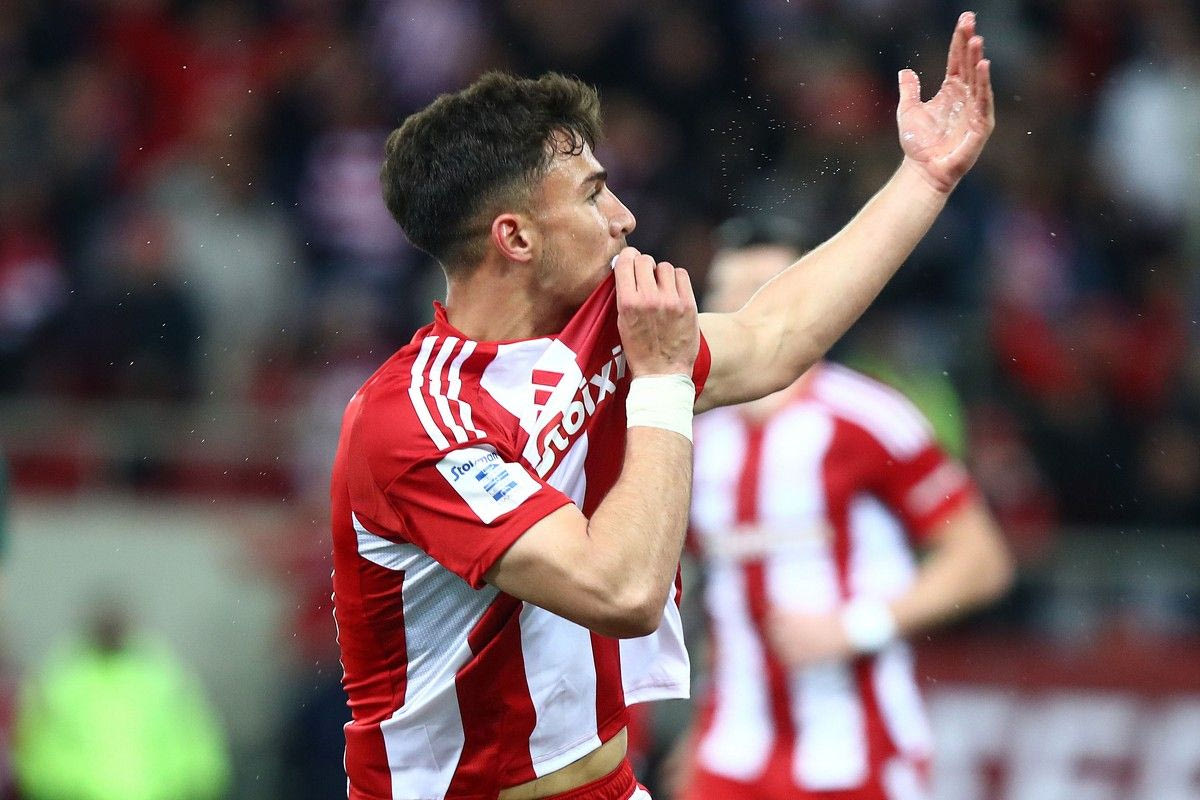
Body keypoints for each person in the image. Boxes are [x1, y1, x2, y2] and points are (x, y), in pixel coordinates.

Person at [330, 12, 994, 800]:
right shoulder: (415, 420)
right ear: (516, 238)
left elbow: (775, 337)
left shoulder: (610, 338)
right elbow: (620, 592)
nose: (624, 217)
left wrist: (925, 178)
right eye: (593, 194)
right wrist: (662, 384)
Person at [666, 219, 1014, 800]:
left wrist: (854, 626)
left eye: (765, 288)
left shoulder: (869, 416)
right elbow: (721, 596)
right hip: (731, 753)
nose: (748, 308)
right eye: (730, 291)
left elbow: (982, 562)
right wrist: (701, 727)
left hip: (857, 751)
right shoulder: (691, 436)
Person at [11, 597, 230, 800]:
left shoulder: (162, 674)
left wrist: (195, 784)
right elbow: (35, 753)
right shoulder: (61, 678)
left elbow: (198, 747)